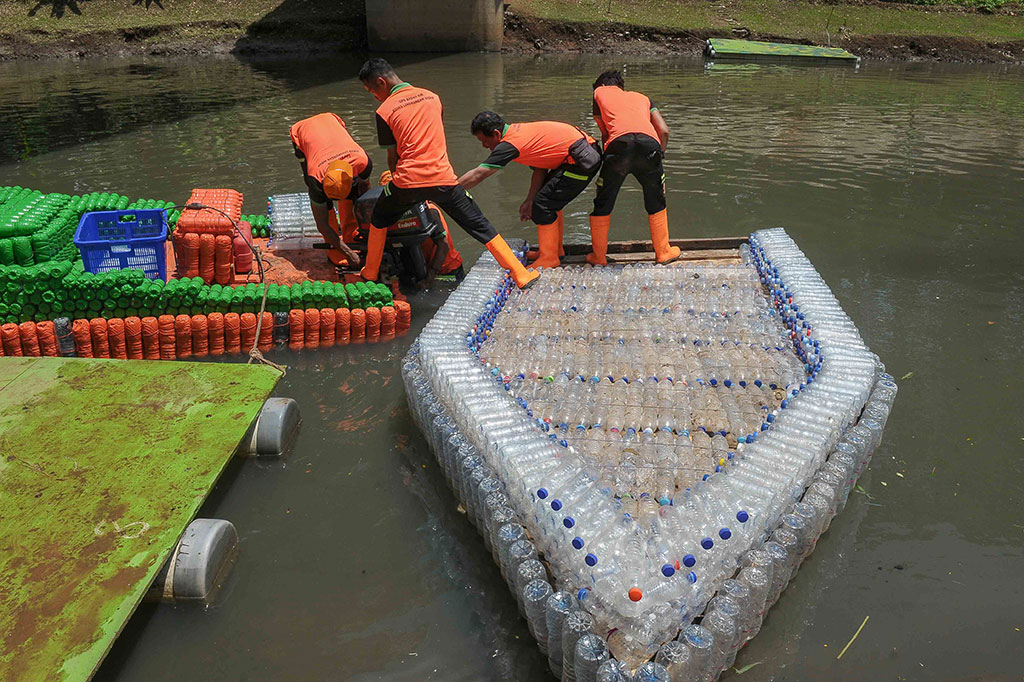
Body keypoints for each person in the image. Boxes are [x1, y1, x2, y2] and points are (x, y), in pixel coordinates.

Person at [357, 58, 538, 289]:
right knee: (480, 224)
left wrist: (400, 184)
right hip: (443, 179)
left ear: (381, 82)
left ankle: (370, 272)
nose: (375, 96)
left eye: (372, 90)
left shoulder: (384, 110)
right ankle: (520, 273)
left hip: (407, 181)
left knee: (379, 218)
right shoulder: (433, 98)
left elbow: (393, 158)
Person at [459, 112, 602, 269]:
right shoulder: (518, 133)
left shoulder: (509, 144)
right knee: (543, 203)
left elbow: (479, 174)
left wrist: (450, 189)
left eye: (484, 141)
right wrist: (529, 199)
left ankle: (549, 258)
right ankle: (554, 251)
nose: (484, 146)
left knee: (543, 206)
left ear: (496, 134)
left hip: (583, 160)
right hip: (579, 154)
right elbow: (540, 168)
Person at [588, 69, 681, 266]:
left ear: (602, 86)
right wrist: (659, 156)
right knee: (656, 199)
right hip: (650, 146)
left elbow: (605, 133)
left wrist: (609, 158)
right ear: (621, 87)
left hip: (619, 147)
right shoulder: (643, 98)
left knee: (603, 201)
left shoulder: (599, 93)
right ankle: (663, 252)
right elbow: (663, 131)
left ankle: (599, 256)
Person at [289, 112, 372, 268]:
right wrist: (348, 253)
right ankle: (334, 248)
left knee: (358, 196)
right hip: (302, 131)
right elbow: (322, 225)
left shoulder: (363, 162)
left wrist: (368, 233)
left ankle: (350, 233)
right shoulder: (315, 178)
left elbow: (365, 198)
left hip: (332, 121)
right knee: (321, 204)